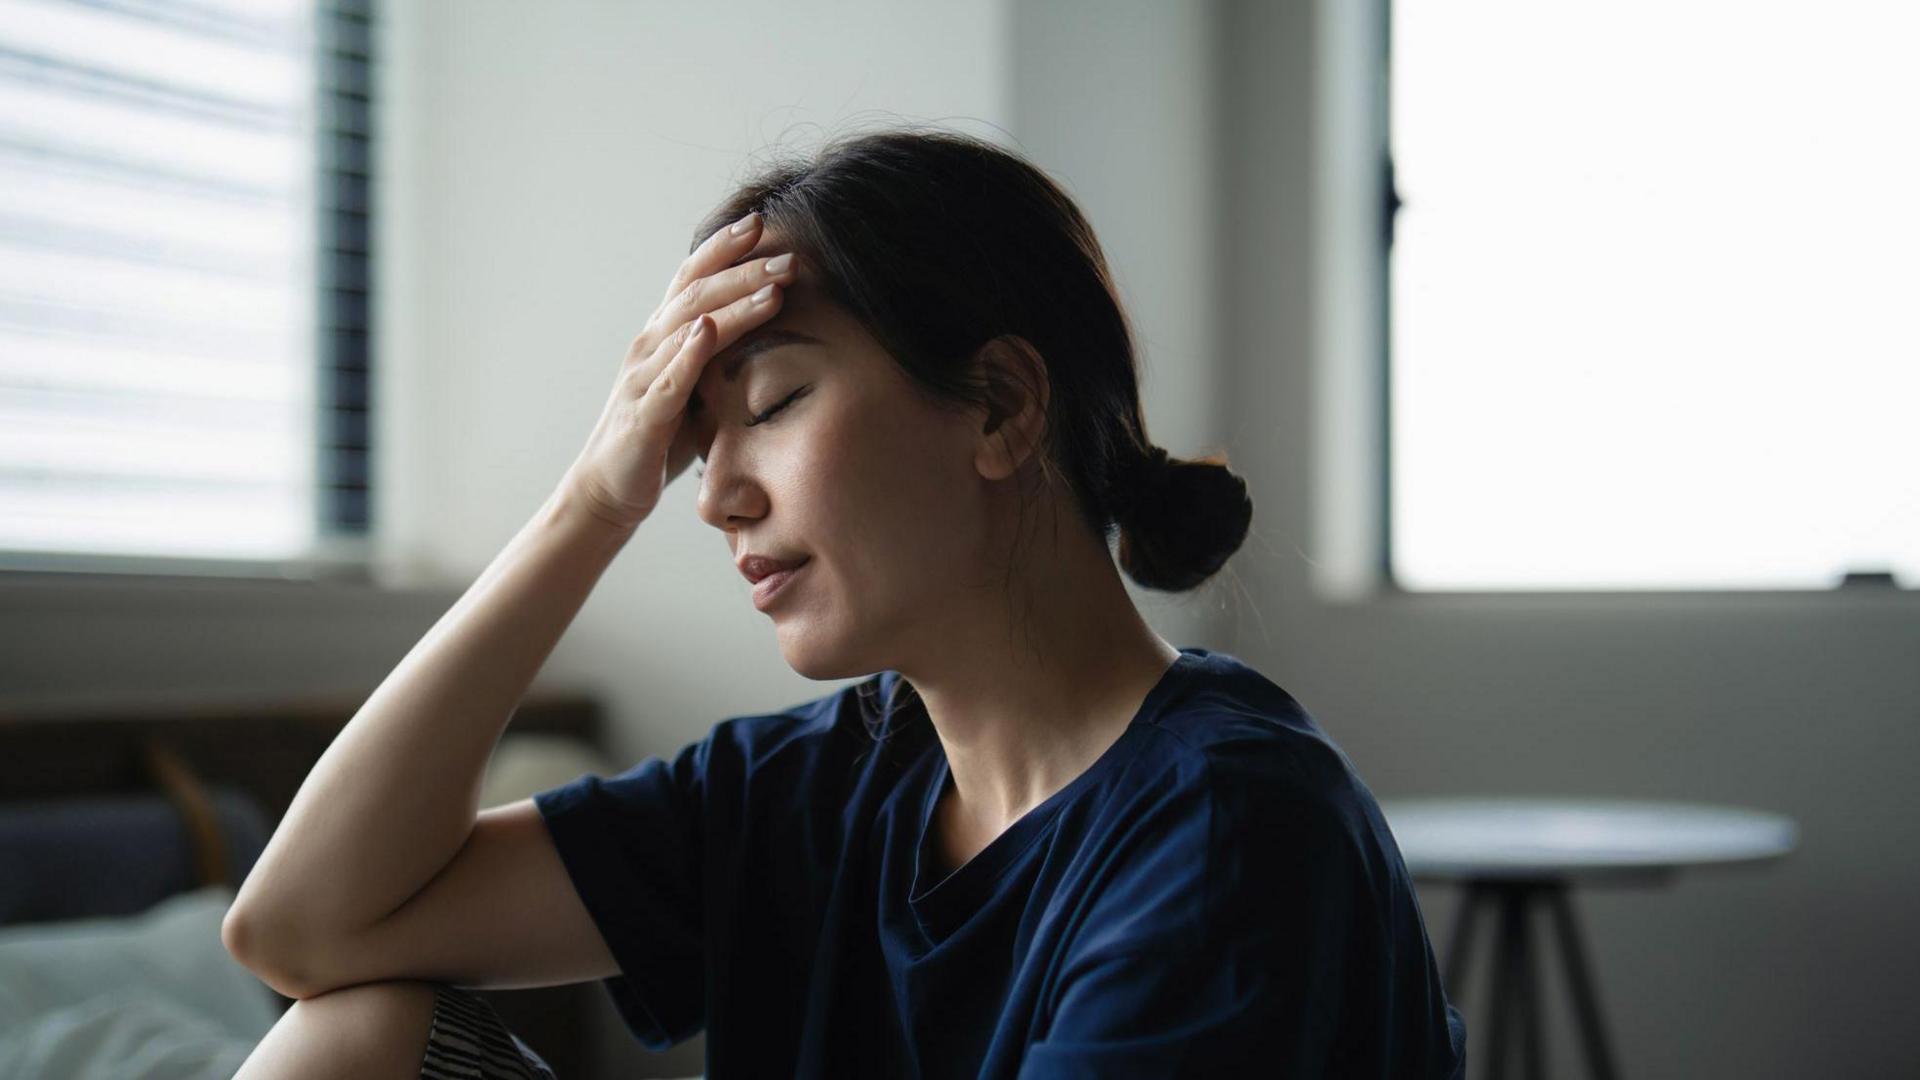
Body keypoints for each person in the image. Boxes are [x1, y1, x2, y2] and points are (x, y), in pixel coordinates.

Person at [225, 126, 1466, 1079]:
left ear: (998, 408)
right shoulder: (820, 788)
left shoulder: (1225, 835)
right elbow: (304, 932)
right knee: (352, 1040)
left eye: (768, 408)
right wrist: (588, 508)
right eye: (690, 441)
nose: (714, 498)